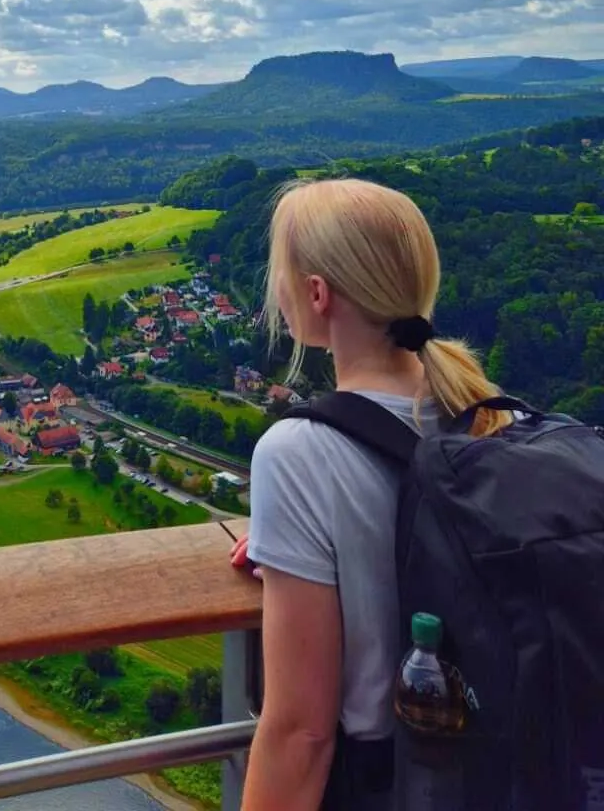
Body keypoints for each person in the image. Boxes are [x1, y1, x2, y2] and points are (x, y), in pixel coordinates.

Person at [229, 177, 507, 811]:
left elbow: (300, 732)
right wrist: (296, 551)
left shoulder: (299, 454)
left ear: (318, 295)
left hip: (392, 782)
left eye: (282, 273)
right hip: (499, 769)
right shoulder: (493, 416)